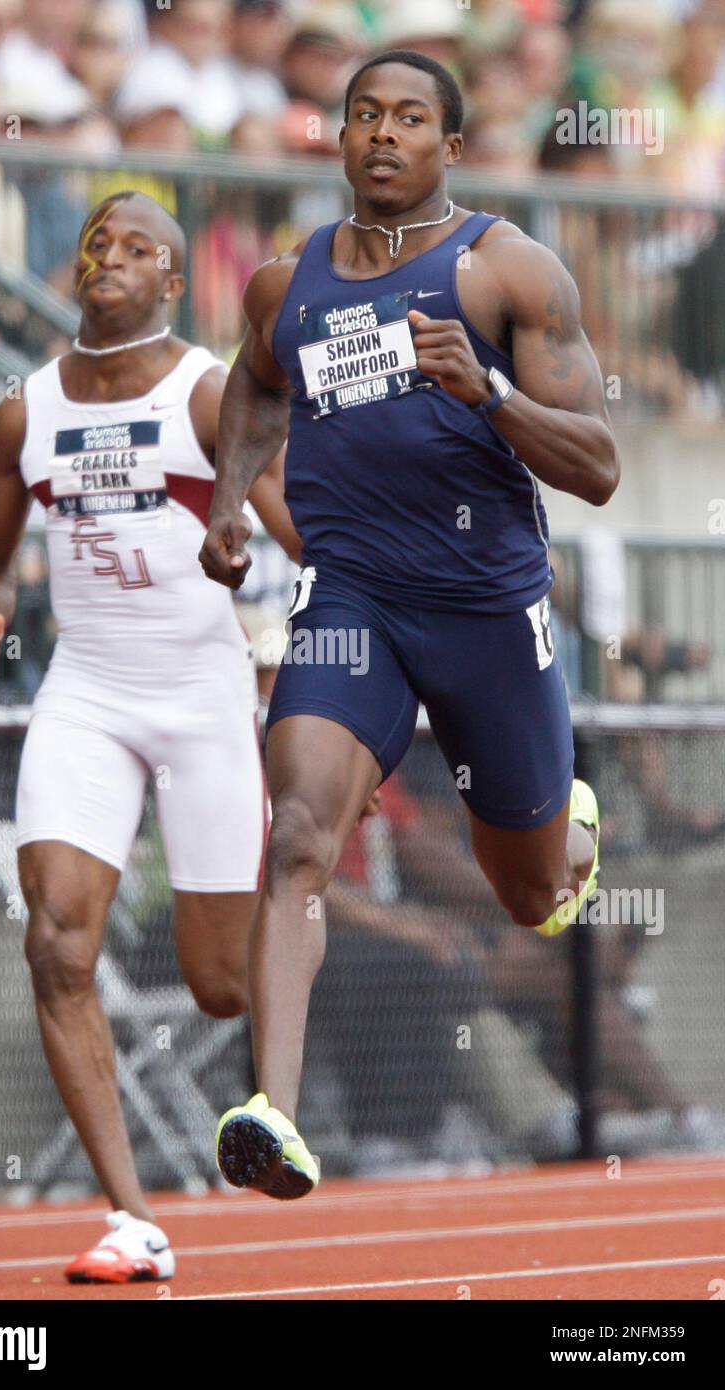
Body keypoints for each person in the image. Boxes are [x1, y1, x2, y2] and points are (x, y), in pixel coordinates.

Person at [200, 49, 620, 1199]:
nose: (382, 133)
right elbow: (252, 385)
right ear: (338, 141)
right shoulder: (285, 287)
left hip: (486, 608)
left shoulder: (507, 273)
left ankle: (572, 828)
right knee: (297, 839)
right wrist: (234, 502)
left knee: (529, 894)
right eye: (363, 115)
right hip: (353, 599)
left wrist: (488, 394)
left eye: (410, 118)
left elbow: (601, 467)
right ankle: (272, 1113)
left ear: (452, 146)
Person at [0, 191, 301, 1282]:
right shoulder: (25, 412)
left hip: (203, 694)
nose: (114, 254)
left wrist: (294, 627)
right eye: (97, 238)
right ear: (74, 268)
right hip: (87, 693)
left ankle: (279, 1028)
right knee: (57, 945)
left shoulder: (208, 394)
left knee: (216, 988)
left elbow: (308, 536)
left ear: (173, 278)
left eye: (142, 245)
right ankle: (132, 1217)